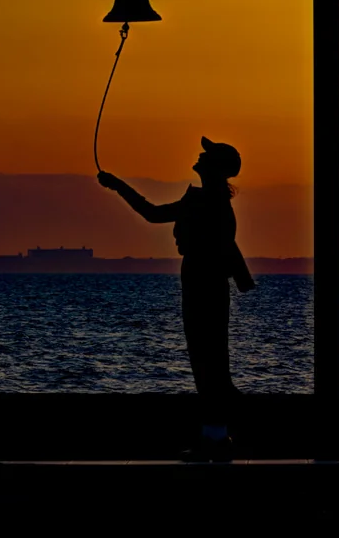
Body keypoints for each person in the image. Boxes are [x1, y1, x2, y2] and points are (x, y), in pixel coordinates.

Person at [97, 136, 255, 462]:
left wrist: (117, 186)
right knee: (211, 363)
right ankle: (217, 437)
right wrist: (117, 186)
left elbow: (151, 214)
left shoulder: (204, 202)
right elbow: (154, 214)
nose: (199, 154)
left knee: (207, 363)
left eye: (206, 154)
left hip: (202, 285)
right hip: (205, 284)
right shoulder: (210, 201)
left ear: (213, 168)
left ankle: (218, 438)